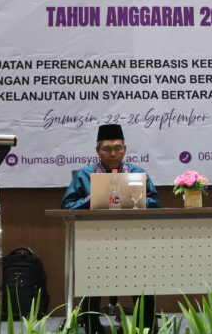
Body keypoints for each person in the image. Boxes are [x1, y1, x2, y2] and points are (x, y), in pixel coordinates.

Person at [61, 124, 159, 334]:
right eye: (107, 148)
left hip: (133, 239)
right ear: (97, 150)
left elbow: (154, 202)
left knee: (141, 280)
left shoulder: (137, 172)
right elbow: (67, 206)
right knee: (91, 281)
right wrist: (93, 197)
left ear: (125, 149)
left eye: (117, 148)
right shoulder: (85, 175)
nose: (113, 153)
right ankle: (92, 326)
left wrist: (135, 198)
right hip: (95, 239)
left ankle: (146, 327)